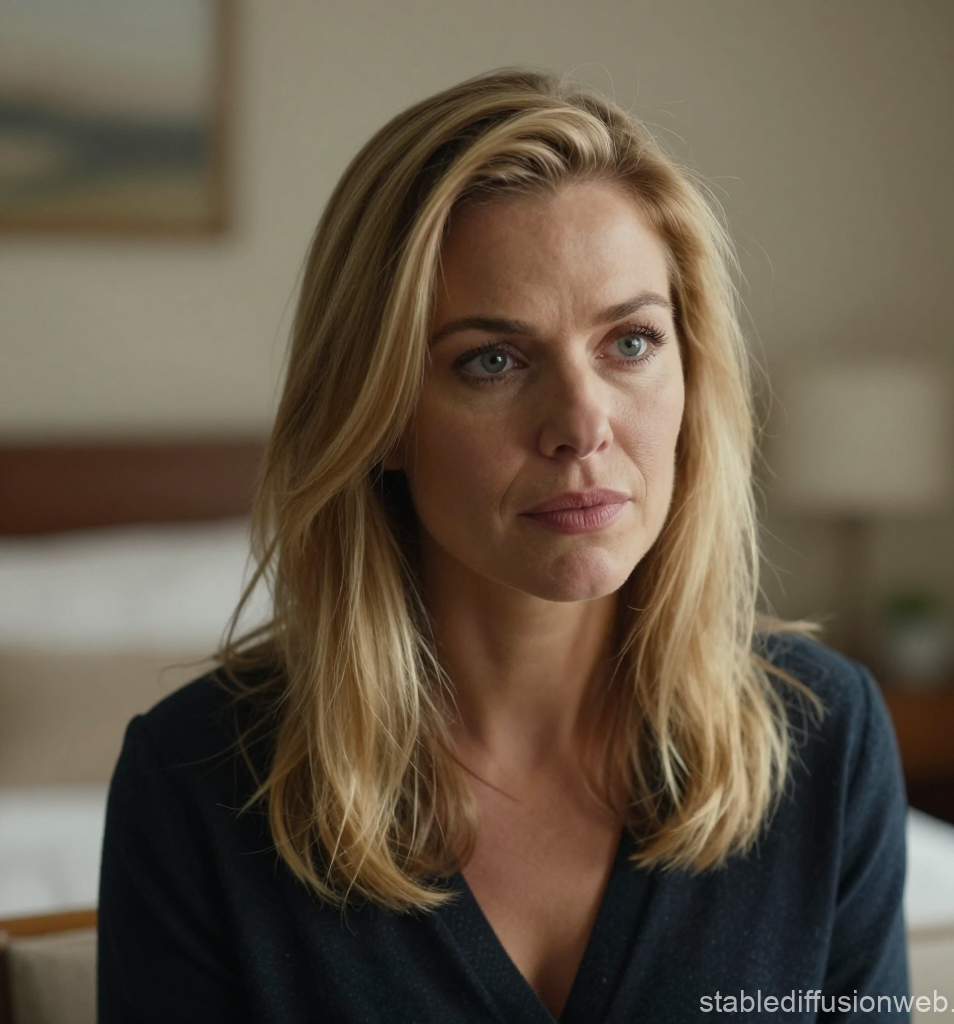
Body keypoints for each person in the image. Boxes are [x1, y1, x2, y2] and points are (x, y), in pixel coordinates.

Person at [98, 68, 910, 1023]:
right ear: (383, 416)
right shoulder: (198, 784)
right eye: (492, 360)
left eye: (632, 343)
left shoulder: (823, 737)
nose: (580, 424)